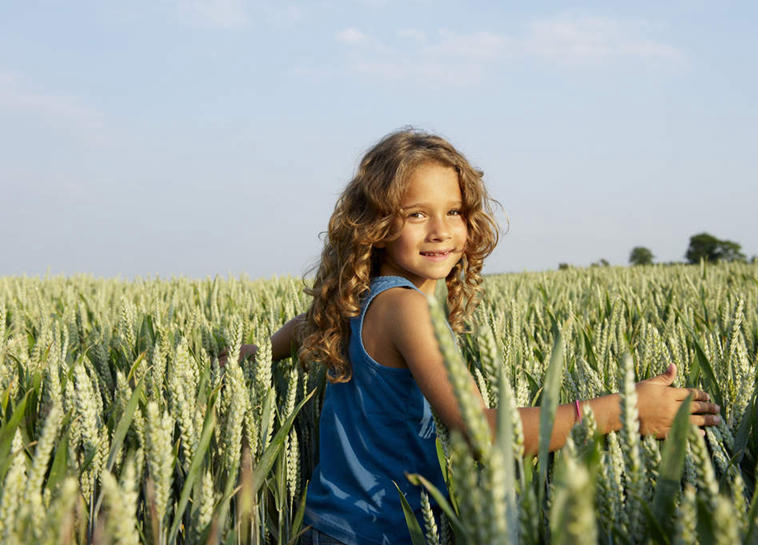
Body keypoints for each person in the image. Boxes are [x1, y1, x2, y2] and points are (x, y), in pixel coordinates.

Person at [239, 129, 721, 545]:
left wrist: (249, 355)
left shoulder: (359, 299)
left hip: (332, 525)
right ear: (377, 226)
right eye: (416, 215)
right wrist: (624, 410)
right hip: (378, 531)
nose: (440, 231)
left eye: (454, 211)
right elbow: (481, 434)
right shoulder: (407, 309)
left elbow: (305, 324)